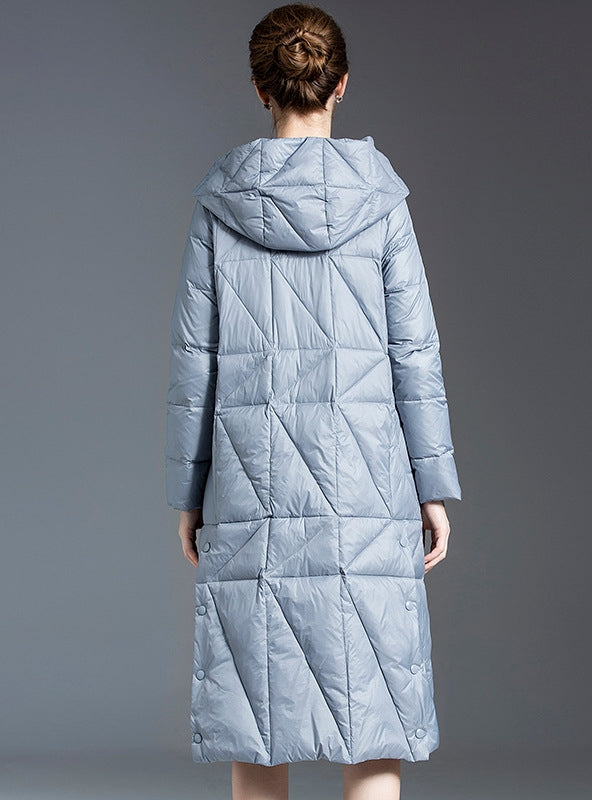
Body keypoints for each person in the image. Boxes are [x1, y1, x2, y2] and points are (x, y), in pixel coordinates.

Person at [165, 4, 462, 799]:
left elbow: (196, 362)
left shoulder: (220, 206)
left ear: (260, 89)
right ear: (341, 85)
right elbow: (416, 355)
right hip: (368, 491)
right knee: (374, 720)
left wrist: (189, 495)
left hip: (250, 491)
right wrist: (432, 488)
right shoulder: (383, 203)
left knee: (260, 721)